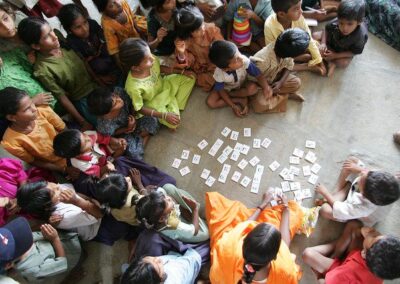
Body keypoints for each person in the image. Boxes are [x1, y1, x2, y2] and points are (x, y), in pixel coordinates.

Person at [206, 189, 304, 284]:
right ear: (275, 256)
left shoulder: (228, 247)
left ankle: (267, 210)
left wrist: (263, 205)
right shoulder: (284, 270)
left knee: (217, 203)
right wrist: (286, 209)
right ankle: (271, 212)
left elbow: (245, 225)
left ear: (244, 241)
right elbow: (285, 246)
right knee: (293, 215)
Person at [18, 17, 98, 129]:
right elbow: (62, 98)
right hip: (84, 100)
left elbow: (82, 61)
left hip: (96, 86)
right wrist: (82, 121)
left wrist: (99, 80)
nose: (54, 36)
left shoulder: (60, 40)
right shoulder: (42, 69)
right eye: (46, 36)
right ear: (36, 46)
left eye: (51, 30)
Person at [0, 87, 78, 177]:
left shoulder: (43, 111)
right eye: (27, 109)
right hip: (56, 165)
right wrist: (63, 169)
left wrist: (76, 150)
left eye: (32, 103)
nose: (34, 109)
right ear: (12, 117)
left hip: (70, 148)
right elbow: (34, 161)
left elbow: (64, 130)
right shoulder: (11, 142)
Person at [120, 38, 195, 129]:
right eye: (147, 59)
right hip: (154, 103)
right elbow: (139, 108)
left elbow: (160, 68)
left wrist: (180, 72)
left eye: (150, 54)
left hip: (165, 85)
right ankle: (171, 105)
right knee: (174, 123)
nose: (153, 59)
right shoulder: (133, 87)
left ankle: (173, 104)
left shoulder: (151, 60)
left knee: (190, 78)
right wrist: (163, 115)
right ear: (136, 68)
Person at [302, 220, 400, 283]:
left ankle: (336, 247)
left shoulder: (342, 276)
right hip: (353, 260)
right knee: (355, 225)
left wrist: (319, 277)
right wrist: (368, 234)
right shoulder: (382, 265)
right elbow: (363, 231)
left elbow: (325, 282)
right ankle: (338, 249)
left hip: (341, 270)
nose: (374, 233)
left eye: (374, 236)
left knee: (307, 254)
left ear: (364, 253)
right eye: (378, 236)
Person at [315, 157, 400, 226]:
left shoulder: (364, 208)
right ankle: (339, 190)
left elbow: (341, 209)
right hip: (359, 192)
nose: (362, 173)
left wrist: (325, 193)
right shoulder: (377, 177)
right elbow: (366, 172)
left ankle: (344, 191)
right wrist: (359, 169)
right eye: (366, 173)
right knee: (352, 161)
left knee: (324, 210)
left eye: (361, 179)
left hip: (353, 213)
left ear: (362, 194)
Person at [0, 3, 54, 109]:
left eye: (5, 18)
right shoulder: (3, 49)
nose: (6, 27)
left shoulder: (22, 21)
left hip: (48, 58)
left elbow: (46, 35)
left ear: (10, 14)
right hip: (34, 75)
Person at [0, 217, 82, 282]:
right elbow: (63, 263)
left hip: (63, 237)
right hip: (70, 251)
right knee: (79, 253)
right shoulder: (33, 270)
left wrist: (48, 224)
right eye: (18, 241)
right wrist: (55, 239)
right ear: (9, 265)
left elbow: (29, 231)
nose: (22, 234)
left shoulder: (16, 249)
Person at [87, 87, 159, 160]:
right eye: (115, 103)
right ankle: (141, 139)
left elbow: (133, 104)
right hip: (124, 134)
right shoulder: (104, 125)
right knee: (135, 154)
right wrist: (127, 129)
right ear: (107, 113)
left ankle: (139, 140)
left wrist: (133, 117)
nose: (119, 100)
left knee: (153, 119)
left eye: (115, 96)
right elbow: (112, 135)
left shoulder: (119, 92)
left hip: (135, 120)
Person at [58, 3, 121, 86]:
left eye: (85, 22)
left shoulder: (93, 24)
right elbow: (85, 65)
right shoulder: (72, 42)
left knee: (111, 49)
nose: (85, 29)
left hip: (108, 58)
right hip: (99, 68)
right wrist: (98, 79)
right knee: (100, 65)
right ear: (69, 30)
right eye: (78, 27)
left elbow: (109, 43)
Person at [207, 40, 272, 117]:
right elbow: (221, 90)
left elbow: (258, 74)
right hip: (227, 87)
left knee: (253, 89)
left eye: (239, 53)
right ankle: (239, 99)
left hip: (243, 83)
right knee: (211, 102)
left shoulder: (244, 60)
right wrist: (233, 106)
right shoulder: (219, 74)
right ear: (226, 69)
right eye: (236, 60)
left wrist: (266, 87)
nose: (241, 58)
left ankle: (233, 95)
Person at [264, 0, 326, 75]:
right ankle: (307, 67)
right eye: (297, 9)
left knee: (317, 47)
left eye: (300, 6)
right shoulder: (269, 26)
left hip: (295, 47)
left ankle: (301, 60)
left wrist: (320, 62)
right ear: (281, 14)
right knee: (277, 65)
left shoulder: (299, 18)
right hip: (282, 54)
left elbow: (309, 39)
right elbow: (273, 52)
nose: (301, 11)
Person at [250, 28, 311, 103]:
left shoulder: (286, 51)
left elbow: (289, 66)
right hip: (259, 84)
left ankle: (275, 95)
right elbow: (252, 79)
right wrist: (266, 87)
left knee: (296, 83)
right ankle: (286, 96)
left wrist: (280, 82)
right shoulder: (263, 62)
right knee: (259, 105)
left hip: (274, 77)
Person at [136, 183, 209, 243]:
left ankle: (189, 214)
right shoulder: (173, 224)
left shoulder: (148, 208)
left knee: (167, 187)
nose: (168, 198)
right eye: (167, 203)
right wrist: (195, 209)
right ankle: (194, 214)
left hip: (172, 215)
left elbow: (159, 192)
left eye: (164, 197)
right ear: (162, 218)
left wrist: (142, 188)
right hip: (185, 230)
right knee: (206, 234)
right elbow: (194, 231)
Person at [174, 5, 224, 91]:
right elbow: (183, 63)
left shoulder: (211, 29)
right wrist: (181, 53)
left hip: (214, 63)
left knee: (221, 71)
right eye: (198, 30)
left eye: (202, 24)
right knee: (190, 74)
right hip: (197, 67)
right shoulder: (183, 41)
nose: (203, 28)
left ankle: (206, 80)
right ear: (188, 33)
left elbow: (222, 48)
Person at [317, 0, 368, 76]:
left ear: (359, 22)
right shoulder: (336, 22)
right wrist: (323, 43)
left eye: (350, 24)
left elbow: (354, 52)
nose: (344, 28)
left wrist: (335, 56)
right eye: (341, 23)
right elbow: (326, 29)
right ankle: (328, 60)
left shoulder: (360, 36)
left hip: (343, 51)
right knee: (315, 36)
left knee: (343, 63)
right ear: (338, 19)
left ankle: (332, 63)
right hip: (333, 41)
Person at [53, 129, 127, 178]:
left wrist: (115, 141)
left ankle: (117, 156)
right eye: (86, 143)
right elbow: (97, 172)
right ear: (79, 154)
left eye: (84, 135)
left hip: (104, 151)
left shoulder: (88, 135)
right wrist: (107, 167)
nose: (88, 138)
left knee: (120, 145)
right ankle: (117, 158)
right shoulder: (80, 163)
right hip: (103, 165)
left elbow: (103, 138)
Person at [93, 0, 146, 69]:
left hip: (136, 35)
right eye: (111, 6)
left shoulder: (122, 3)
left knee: (148, 26)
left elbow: (132, 18)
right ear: (104, 11)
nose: (118, 4)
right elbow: (114, 51)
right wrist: (123, 68)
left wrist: (139, 31)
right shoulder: (107, 25)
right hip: (127, 47)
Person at [121, 248, 202, 284]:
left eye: (150, 258)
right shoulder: (175, 275)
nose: (158, 259)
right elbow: (193, 258)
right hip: (192, 260)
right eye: (158, 267)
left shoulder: (130, 279)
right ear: (159, 280)